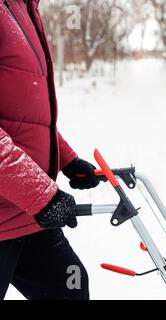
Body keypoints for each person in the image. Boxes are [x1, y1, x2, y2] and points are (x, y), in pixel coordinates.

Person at [0, 0, 99, 300]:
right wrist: (42, 195)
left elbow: (22, 116)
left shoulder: (22, 8)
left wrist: (67, 158)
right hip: (13, 214)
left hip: (26, 217)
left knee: (71, 287)